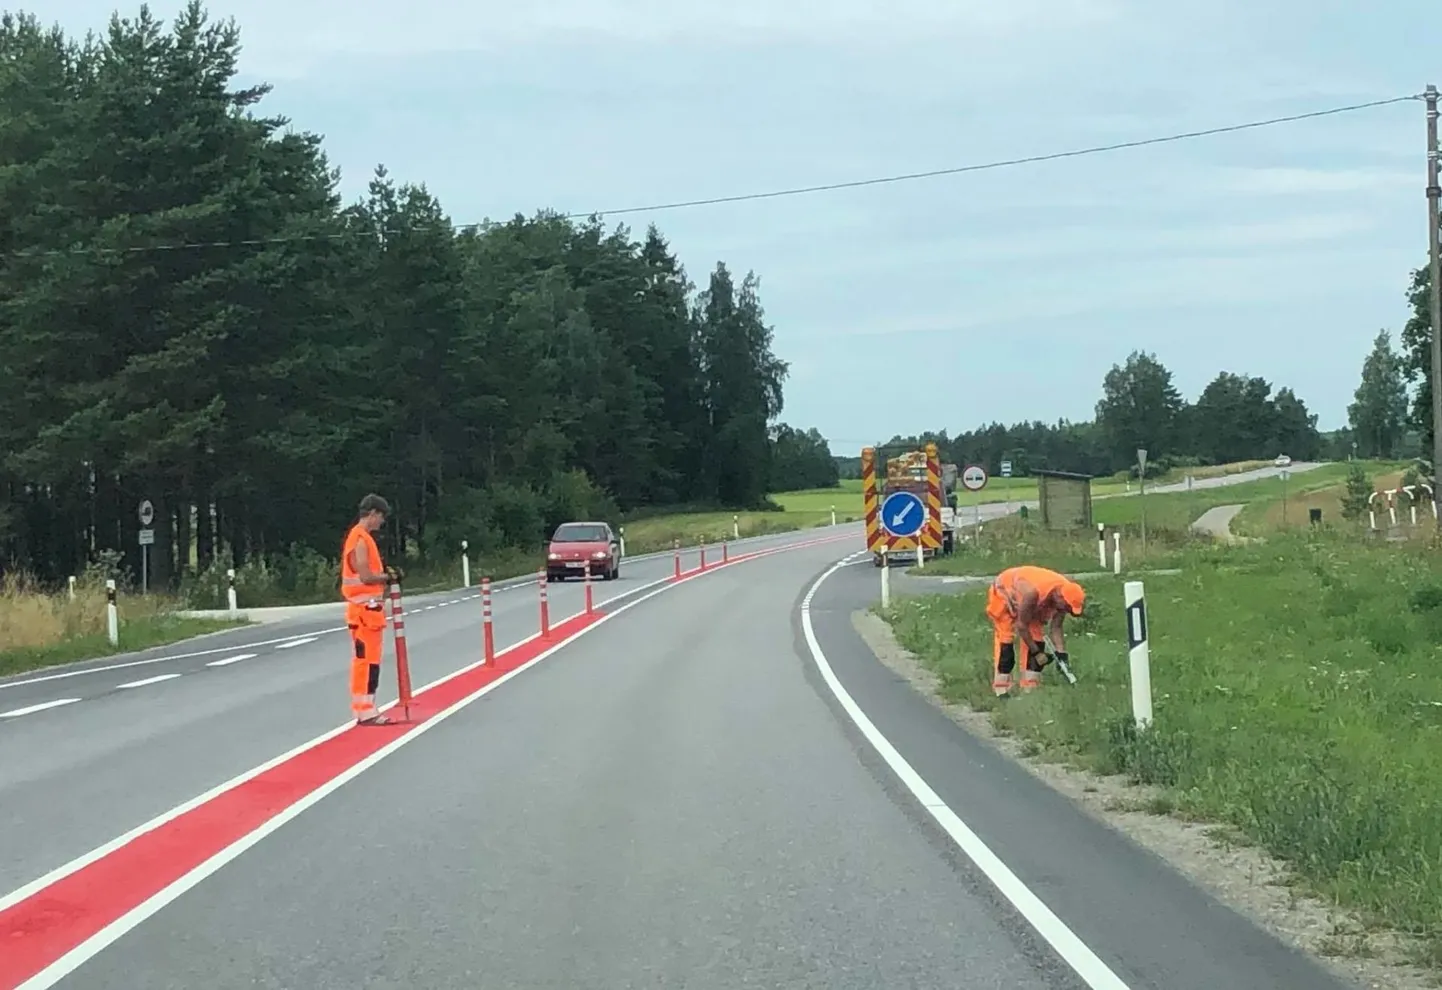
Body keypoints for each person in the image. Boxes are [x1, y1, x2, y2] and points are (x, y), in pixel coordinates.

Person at [341, 493, 403, 724]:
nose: (381, 522)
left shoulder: (359, 537)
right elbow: (366, 576)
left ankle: (362, 707)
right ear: (373, 513)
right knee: (369, 662)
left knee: (364, 660)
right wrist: (388, 577)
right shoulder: (360, 539)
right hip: (365, 611)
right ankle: (367, 710)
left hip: (365, 610)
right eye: (381, 517)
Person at [986, 564, 1086, 696]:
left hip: (1036, 600)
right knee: (1006, 641)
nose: (1065, 610)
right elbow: (1022, 626)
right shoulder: (1032, 593)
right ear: (1059, 597)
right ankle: (1001, 688)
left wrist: (1062, 655)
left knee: (1036, 636)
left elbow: (1056, 627)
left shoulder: (1066, 593)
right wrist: (1037, 653)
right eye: (1066, 607)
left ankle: (1030, 688)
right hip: (1005, 592)